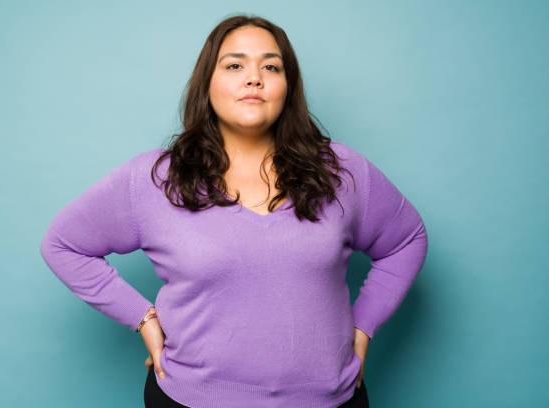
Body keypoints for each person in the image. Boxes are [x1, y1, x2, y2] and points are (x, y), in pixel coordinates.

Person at [39, 13, 428, 408]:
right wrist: (143, 318)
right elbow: (64, 244)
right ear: (207, 82)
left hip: (330, 401)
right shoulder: (154, 179)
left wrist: (362, 328)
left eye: (271, 67)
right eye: (235, 64)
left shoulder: (343, 171)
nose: (254, 77)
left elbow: (407, 240)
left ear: (287, 87)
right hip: (189, 400)